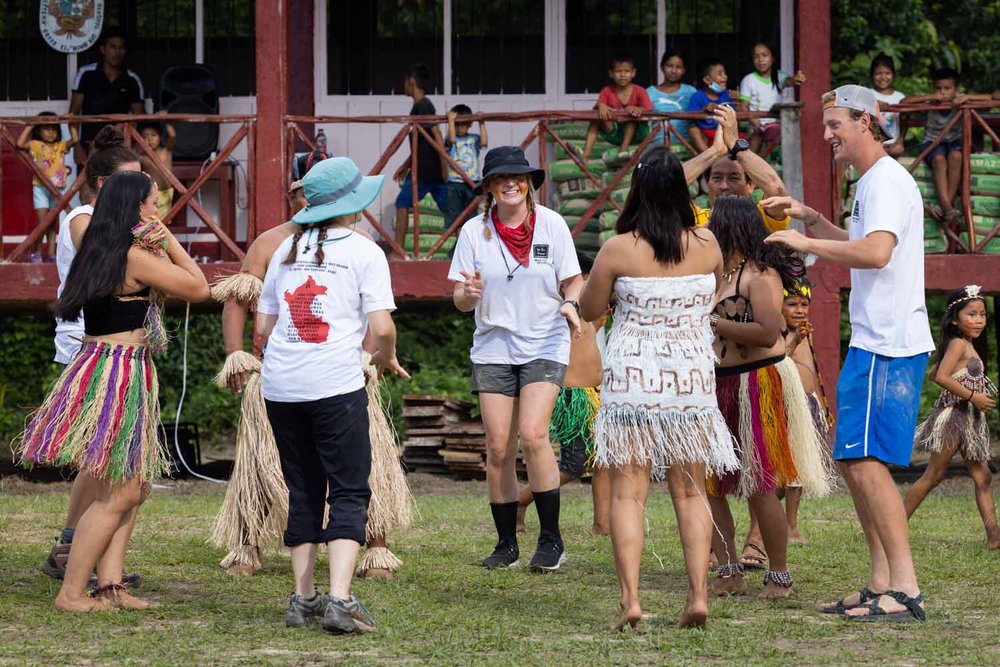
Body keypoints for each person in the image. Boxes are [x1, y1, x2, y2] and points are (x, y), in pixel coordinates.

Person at [765, 84, 936, 622]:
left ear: (866, 121)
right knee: (854, 459)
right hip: (876, 339)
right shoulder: (874, 183)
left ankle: (905, 589)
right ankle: (882, 582)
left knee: (865, 462)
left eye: (835, 124)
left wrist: (807, 244)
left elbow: (876, 253)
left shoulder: (885, 180)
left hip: (887, 341)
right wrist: (813, 219)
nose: (827, 135)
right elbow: (861, 241)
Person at [211, 163, 413, 581]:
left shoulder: (359, 243)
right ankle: (248, 543)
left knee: (363, 463)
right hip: (282, 375)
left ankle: (376, 547)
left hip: (343, 373)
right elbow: (238, 301)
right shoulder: (273, 243)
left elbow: (370, 317)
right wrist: (236, 355)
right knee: (262, 464)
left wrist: (367, 357)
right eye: (300, 190)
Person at [17, 170, 210, 611]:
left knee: (133, 487)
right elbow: (198, 288)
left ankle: (111, 586)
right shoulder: (133, 258)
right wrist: (170, 241)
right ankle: (70, 593)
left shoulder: (102, 250)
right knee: (120, 492)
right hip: (117, 373)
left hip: (110, 368)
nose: (157, 211)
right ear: (135, 209)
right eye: (153, 203)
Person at [579, 146, 739, 630]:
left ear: (638, 190)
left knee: (628, 495)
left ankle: (631, 600)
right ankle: (697, 595)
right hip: (689, 379)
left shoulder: (617, 248)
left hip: (632, 380)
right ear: (682, 191)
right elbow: (715, 296)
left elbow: (589, 311)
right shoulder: (708, 245)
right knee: (690, 493)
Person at [255, 157, 409, 633]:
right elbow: (382, 327)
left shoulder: (284, 248)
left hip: (280, 386)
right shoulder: (366, 252)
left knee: (302, 489)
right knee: (347, 488)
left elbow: (263, 327)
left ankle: (303, 600)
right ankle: (340, 600)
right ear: (353, 204)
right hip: (335, 387)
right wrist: (384, 357)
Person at [449, 146, 583, 572]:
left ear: (529, 183)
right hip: (493, 346)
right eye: (502, 177)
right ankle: (506, 543)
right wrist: (466, 296)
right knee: (498, 446)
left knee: (534, 434)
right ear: (489, 186)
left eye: (519, 176)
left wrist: (571, 303)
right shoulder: (474, 232)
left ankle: (551, 540)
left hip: (545, 340)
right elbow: (458, 299)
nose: (512, 183)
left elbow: (573, 280)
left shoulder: (552, 225)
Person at [705, 196, 832, 600]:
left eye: (715, 223)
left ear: (731, 227)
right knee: (712, 486)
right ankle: (728, 571)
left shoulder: (761, 275)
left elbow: (766, 332)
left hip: (757, 383)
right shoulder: (717, 275)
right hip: (720, 384)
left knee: (759, 484)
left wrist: (712, 322)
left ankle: (779, 574)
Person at [40, 126, 143, 587]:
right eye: (131, 183)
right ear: (105, 184)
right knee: (98, 459)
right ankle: (69, 548)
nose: (141, 195)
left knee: (103, 460)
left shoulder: (120, 223)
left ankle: (85, 556)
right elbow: (112, 259)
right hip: (86, 344)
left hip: (113, 348)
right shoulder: (82, 218)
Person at [514, 251, 611, 537]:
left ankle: (602, 525)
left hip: (597, 393)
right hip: (573, 397)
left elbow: (597, 322)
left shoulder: (587, 304)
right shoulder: (556, 306)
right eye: (586, 277)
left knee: (603, 459)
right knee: (574, 464)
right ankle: (520, 500)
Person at [738, 276, 832, 561]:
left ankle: (790, 524)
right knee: (774, 472)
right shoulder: (777, 334)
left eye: (804, 304)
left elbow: (813, 372)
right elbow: (778, 362)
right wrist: (793, 340)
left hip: (807, 407)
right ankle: (757, 531)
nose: (800, 310)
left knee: (798, 471)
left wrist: (823, 406)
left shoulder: (807, 332)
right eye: (792, 305)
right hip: (781, 406)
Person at [905, 285, 1000, 549]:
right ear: (955, 318)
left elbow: (935, 374)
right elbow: (944, 377)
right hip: (954, 418)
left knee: (983, 477)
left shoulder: (964, 344)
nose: (979, 319)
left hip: (968, 419)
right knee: (934, 475)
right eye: (972, 314)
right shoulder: (959, 344)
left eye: (982, 314)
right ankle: (894, 526)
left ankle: (995, 537)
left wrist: (977, 389)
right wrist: (973, 396)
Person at [902, 69, 992, 223]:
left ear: (956, 90)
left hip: (954, 143)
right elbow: (904, 102)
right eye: (938, 89)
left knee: (956, 157)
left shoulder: (961, 100)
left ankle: (945, 207)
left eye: (947, 89)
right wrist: (931, 97)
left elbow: (989, 99)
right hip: (932, 144)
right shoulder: (931, 101)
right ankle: (948, 207)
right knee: (939, 160)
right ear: (933, 88)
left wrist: (967, 97)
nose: (942, 93)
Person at [682, 105, 790, 232]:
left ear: (750, 185)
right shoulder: (696, 219)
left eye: (734, 178)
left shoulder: (762, 220)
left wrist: (735, 144)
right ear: (707, 183)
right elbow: (662, 190)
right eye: (716, 178)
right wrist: (714, 152)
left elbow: (776, 190)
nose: (724, 186)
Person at [392, 63, 448, 260]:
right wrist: (405, 165)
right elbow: (421, 143)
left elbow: (436, 135)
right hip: (421, 170)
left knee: (453, 211)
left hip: (429, 171)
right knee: (449, 210)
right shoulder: (418, 106)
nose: (404, 85)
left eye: (406, 81)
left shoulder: (424, 105)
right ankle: (399, 251)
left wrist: (444, 166)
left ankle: (398, 251)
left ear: (412, 81)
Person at [69, 27, 145, 164]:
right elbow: (73, 114)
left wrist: (133, 146)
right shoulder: (86, 74)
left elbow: (139, 118)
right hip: (89, 145)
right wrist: (76, 146)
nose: (117, 52)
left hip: (119, 148)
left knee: (117, 184)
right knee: (89, 184)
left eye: (121, 48)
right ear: (103, 50)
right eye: (113, 47)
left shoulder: (132, 79)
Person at [16, 112, 79, 262]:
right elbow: (19, 144)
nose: (51, 132)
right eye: (46, 128)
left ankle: (51, 254)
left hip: (57, 189)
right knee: (42, 223)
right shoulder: (35, 145)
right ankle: (36, 251)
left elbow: (75, 140)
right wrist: (30, 125)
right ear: (38, 130)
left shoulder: (61, 145)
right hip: (40, 188)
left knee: (52, 223)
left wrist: (70, 122)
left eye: (54, 129)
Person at [582, 53, 653, 162]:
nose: (623, 75)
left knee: (630, 115)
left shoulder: (640, 91)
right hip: (614, 134)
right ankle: (585, 154)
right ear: (611, 73)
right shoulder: (606, 91)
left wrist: (638, 109)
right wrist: (600, 106)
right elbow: (598, 108)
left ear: (633, 73)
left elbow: (649, 109)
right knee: (596, 118)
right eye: (618, 71)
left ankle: (623, 150)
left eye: (627, 71)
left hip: (637, 134)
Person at [738, 43, 806, 154]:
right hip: (757, 124)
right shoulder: (749, 80)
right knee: (754, 145)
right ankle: (748, 168)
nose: (761, 60)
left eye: (764, 55)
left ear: (772, 58)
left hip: (778, 124)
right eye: (756, 56)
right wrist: (756, 123)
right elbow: (744, 107)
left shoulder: (779, 76)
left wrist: (795, 79)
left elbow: (789, 81)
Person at [443, 104, 488, 233]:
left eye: (464, 125)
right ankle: (457, 245)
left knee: (471, 215)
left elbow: (484, 143)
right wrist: (451, 120)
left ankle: (468, 243)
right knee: (455, 217)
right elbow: (451, 139)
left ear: (469, 125)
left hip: (471, 182)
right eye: (457, 125)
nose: (460, 128)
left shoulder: (474, 138)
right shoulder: (451, 139)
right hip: (454, 182)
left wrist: (481, 123)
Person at [686, 56, 738, 154]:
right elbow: (690, 117)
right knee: (693, 130)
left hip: (724, 132)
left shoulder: (729, 95)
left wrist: (737, 100)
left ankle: (734, 158)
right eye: (720, 74)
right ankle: (708, 156)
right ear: (707, 80)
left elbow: (737, 115)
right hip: (705, 133)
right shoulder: (697, 96)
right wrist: (704, 110)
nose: (725, 77)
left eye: (725, 73)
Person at [647, 51, 697, 146]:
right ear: (662, 67)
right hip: (658, 146)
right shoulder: (650, 92)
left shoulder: (691, 92)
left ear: (684, 70)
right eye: (669, 66)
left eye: (678, 67)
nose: (674, 71)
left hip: (687, 147)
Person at [137, 118, 177, 222]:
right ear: (139, 139)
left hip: (166, 193)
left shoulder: (166, 150)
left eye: (154, 135)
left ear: (160, 137)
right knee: (152, 223)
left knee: (163, 224)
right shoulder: (141, 157)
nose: (150, 140)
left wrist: (165, 120)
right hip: (151, 196)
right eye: (145, 137)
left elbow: (172, 135)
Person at [868, 54, 906, 158]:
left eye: (887, 73)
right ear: (871, 75)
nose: (883, 77)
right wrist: (874, 104)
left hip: (894, 146)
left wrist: (900, 142)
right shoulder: (867, 94)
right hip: (871, 145)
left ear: (893, 74)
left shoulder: (900, 97)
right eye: (878, 73)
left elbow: (904, 122)